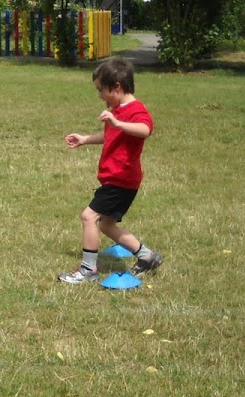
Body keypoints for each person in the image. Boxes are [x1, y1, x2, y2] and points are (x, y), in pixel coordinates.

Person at [58, 57, 162, 284]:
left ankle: (88, 269)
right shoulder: (117, 110)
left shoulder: (135, 110)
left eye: (101, 90)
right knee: (106, 224)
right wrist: (85, 139)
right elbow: (110, 135)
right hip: (116, 180)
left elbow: (145, 129)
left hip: (121, 178)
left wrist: (118, 123)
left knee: (89, 217)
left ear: (116, 87)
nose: (100, 96)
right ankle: (147, 256)